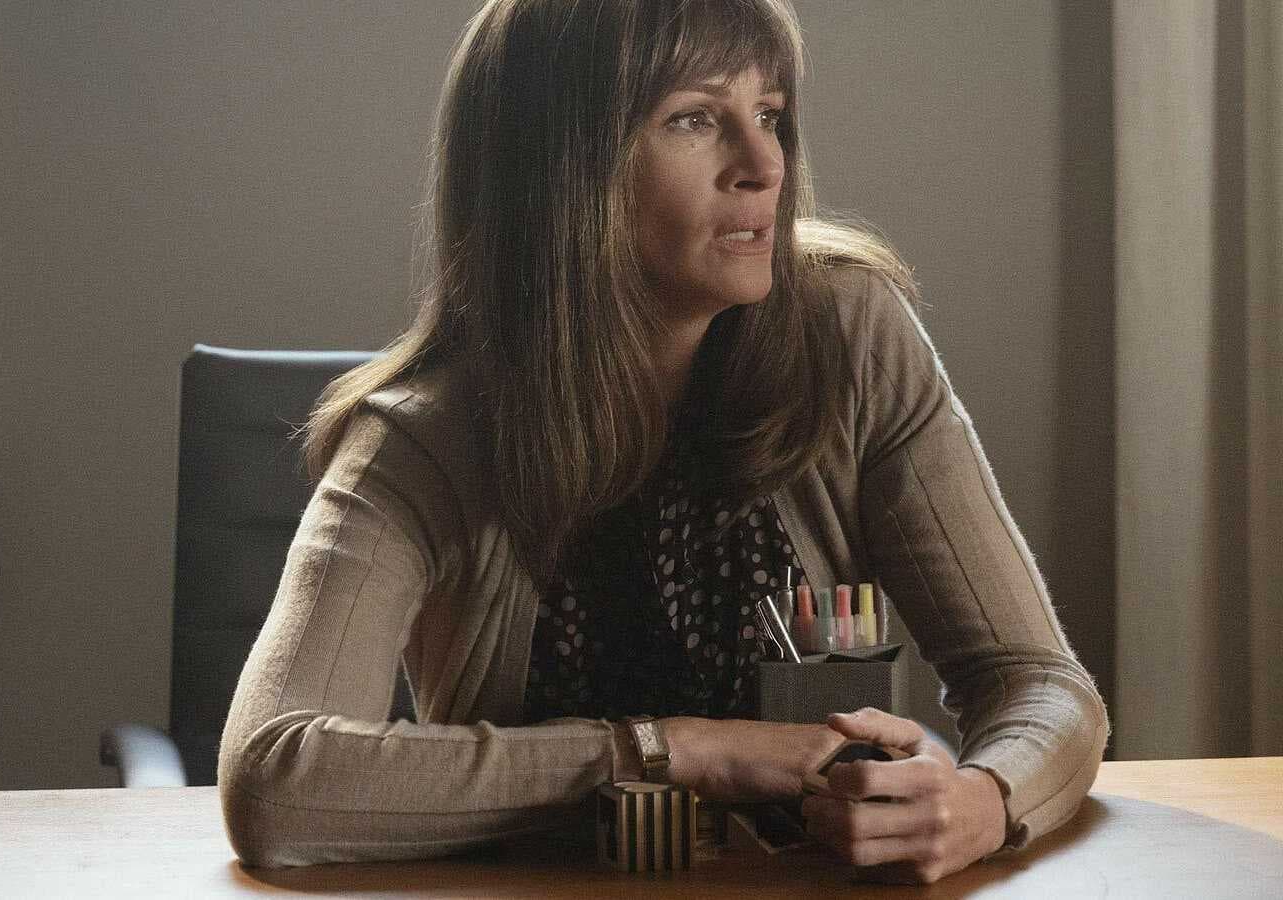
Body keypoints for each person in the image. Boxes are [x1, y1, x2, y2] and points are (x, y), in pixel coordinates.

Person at [218, 0, 1108, 884]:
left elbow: (1037, 681)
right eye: (694, 119)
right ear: (564, 168)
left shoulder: (852, 337)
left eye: (770, 114)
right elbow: (274, 779)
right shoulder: (421, 437)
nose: (765, 165)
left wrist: (985, 800)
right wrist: (678, 750)